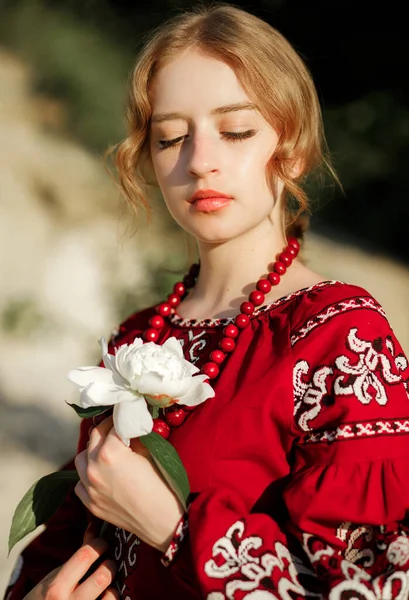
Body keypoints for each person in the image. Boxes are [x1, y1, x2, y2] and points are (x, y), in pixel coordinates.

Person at [5, 4, 409, 600]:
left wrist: (173, 527)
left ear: (291, 149)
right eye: (170, 137)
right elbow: (69, 541)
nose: (198, 162)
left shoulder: (343, 338)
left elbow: (377, 587)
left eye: (237, 131)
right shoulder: (135, 339)